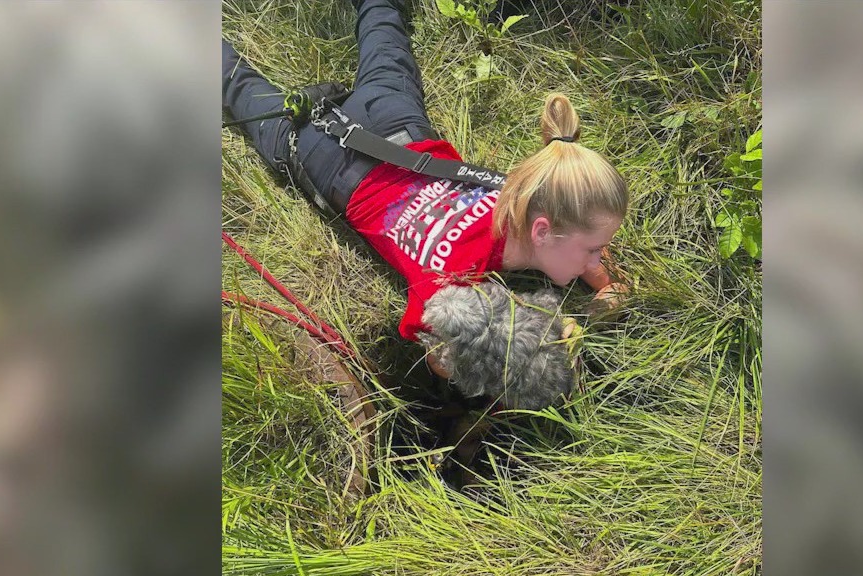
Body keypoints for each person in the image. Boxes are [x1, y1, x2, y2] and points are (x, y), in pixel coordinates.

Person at [222, 0, 629, 381]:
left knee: (383, 26)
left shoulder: (531, 195)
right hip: (330, 161)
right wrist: (527, 344)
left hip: (395, 123)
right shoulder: (452, 283)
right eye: (593, 250)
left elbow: (594, 249)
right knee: (240, 90)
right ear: (542, 231)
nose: (599, 257)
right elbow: (438, 356)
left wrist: (604, 294)